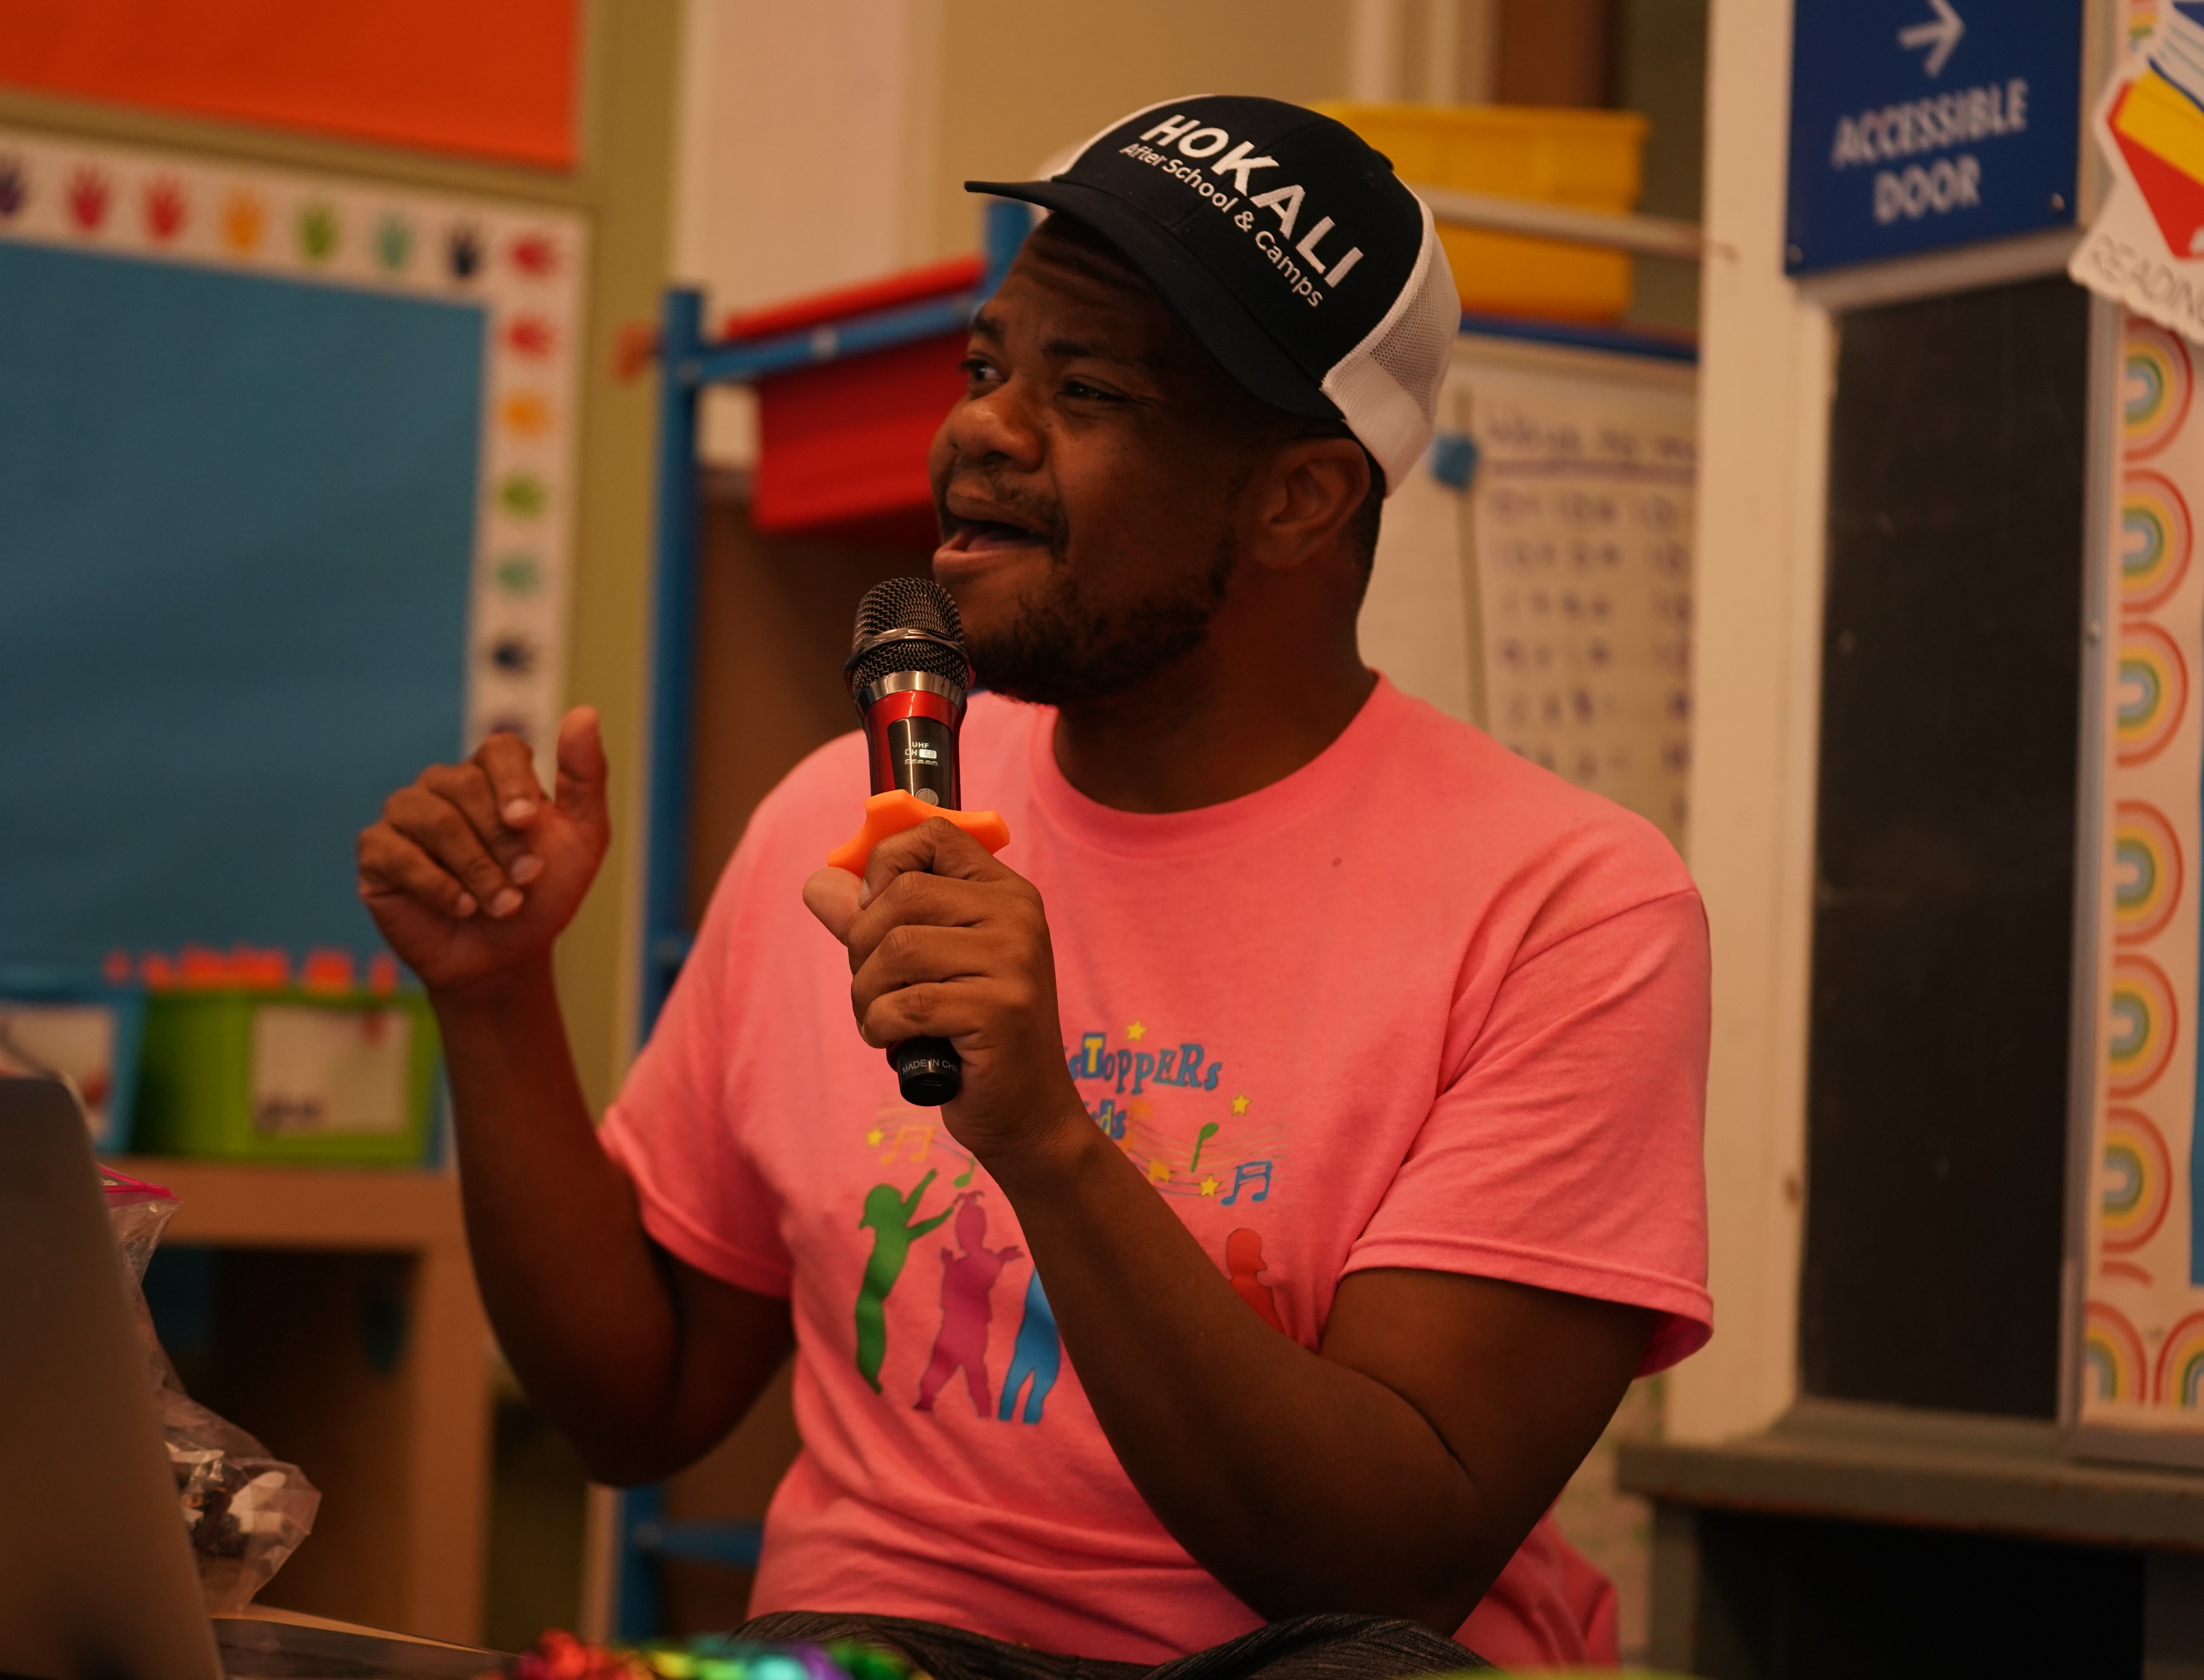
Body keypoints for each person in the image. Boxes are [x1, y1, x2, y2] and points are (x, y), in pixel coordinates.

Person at [356, 96, 1710, 1679]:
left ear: (1301, 501)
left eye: (1086, 391)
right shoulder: (836, 815)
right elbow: (631, 1406)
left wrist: (1046, 1137)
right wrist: (496, 997)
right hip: (873, 1650)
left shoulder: (1568, 908)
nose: (981, 433)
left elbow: (1381, 1563)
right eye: (988, 368)